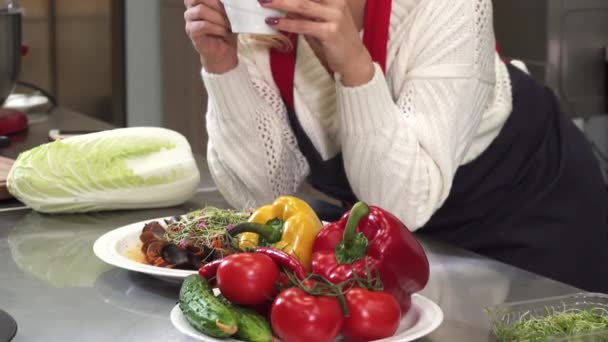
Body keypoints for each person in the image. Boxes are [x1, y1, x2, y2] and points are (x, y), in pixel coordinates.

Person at [183, 0, 608, 292]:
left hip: (528, 205)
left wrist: (352, 65)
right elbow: (258, 194)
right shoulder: (259, 18)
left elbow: (400, 202)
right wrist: (222, 64)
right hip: (399, 235)